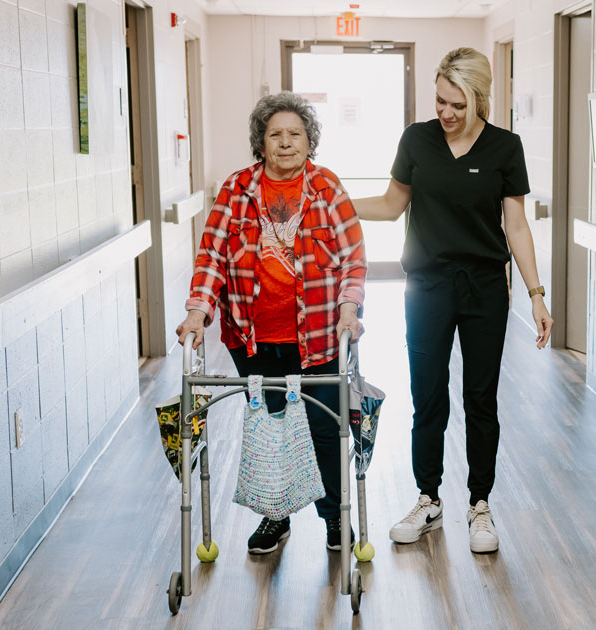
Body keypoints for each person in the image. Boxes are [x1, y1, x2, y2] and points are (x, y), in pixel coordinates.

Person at [352, 47, 553, 554]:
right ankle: (428, 499)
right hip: (427, 287)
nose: (445, 112)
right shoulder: (417, 140)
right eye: (439, 100)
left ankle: (480, 505)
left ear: (478, 98)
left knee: (481, 400)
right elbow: (392, 203)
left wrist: (536, 294)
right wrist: (333, 201)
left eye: (456, 104)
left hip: (486, 288)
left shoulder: (506, 148)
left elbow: (516, 225)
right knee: (428, 398)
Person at [176, 92, 366, 555]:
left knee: (325, 432)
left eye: (295, 134)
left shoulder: (326, 188)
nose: (286, 143)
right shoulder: (237, 189)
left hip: (319, 339)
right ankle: (274, 518)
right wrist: (197, 311)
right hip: (254, 337)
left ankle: (335, 521)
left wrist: (349, 308)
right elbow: (213, 256)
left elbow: (353, 258)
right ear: (261, 143)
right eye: (275, 135)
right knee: (270, 431)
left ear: (309, 141)